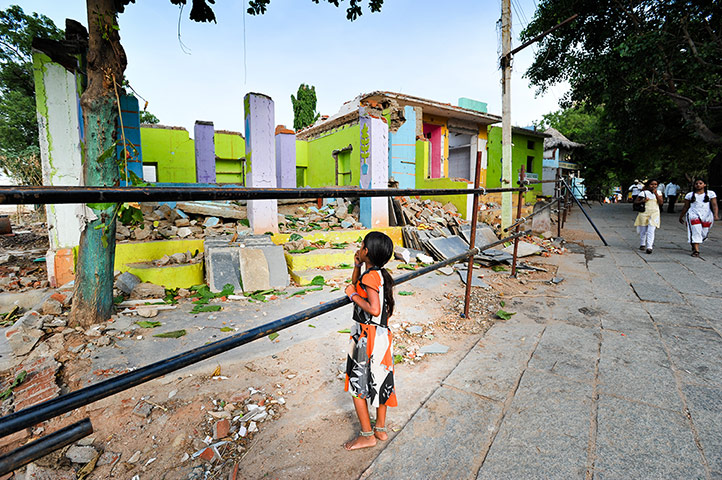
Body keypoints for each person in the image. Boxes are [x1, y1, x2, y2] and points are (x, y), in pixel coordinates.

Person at [343, 231, 397, 450]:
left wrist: (352, 296)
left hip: (367, 337)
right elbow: (358, 284)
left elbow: (373, 309)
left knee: (358, 386)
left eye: (362, 245)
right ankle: (380, 429)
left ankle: (367, 435)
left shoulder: (369, 278)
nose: (359, 247)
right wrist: (357, 265)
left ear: (367, 251)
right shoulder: (380, 275)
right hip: (382, 336)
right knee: (381, 381)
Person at [678, 178, 719, 257]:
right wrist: (681, 217)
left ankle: (694, 242)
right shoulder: (690, 195)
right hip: (693, 215)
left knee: (703, 234)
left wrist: (715, 214)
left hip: (706, 216)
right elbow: (685, 207)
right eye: (696, 183)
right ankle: (696, 250)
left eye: (700, 183)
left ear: (704, 184)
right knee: (695, 230)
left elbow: (714, 205)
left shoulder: (710, 194)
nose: (698, 185)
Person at [634, 179, 663, 254]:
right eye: (652, 184)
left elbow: (661, 203)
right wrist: (643, 201)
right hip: (644, 213)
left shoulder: (659, 192)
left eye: (655, 184)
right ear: (648, 185)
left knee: (651, 230)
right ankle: (642, 243)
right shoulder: (644, 193)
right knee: (643, 229)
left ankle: (649, 247)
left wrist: (656, 194)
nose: (653, 186)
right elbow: (636, 202)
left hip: (654, 213)